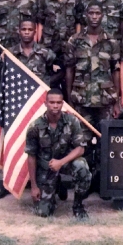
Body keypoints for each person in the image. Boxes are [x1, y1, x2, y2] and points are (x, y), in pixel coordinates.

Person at [0, 19, 57, 200]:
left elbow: (57, 70)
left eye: (30, 29)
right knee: (13, 144)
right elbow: (0, 75)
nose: (27, 32)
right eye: (24, 29)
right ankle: (8, 183)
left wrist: (47, 87)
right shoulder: (10, 54)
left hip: (38, 107)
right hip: (17, 107)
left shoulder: (45, 53)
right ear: (18, 31)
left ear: (35, 32)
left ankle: (52, 182)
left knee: (44, 144)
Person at [65, 1, 121, 188]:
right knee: (83, 143)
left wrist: (117, 99)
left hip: (105, 100)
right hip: (82, 100)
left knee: (106, 144)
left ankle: (103, 182)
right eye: (91, 13)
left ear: (103, 15)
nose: (94, 16)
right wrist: (70, 99)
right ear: (85, 16)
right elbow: (69, 70)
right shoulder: (75, 40)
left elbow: (116, 70)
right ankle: (85, 184)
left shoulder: (111, 41)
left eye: (98, 13)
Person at [25, 88, 91, 218]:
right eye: (52, 102)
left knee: (82, 166)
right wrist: (33, 186)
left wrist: (61, 162)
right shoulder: (35, 127)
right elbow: (31, 156)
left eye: (58, 102)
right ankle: (57, 186)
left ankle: (78, 206)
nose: (55, 105)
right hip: (46, 168)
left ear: (62, 104)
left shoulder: (72, 121)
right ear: (45, 103)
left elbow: (80, 149)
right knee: (43, 213)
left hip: (65, 162)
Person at [37, 0, 79, 91]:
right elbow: (40, 22)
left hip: (69, 45)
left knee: (69, 79)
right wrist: (39, 44)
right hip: (49, 46)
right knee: (48, 80)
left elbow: (79, 23)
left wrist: (77, 42)